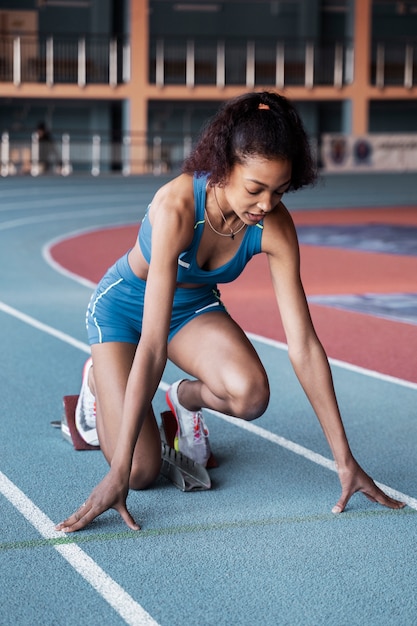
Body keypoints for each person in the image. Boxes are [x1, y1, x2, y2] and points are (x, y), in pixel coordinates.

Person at [56, 91, 404, 533]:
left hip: (193, 309)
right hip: (125, 312)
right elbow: (152, 344)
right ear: (223, 168)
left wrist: (345, 461)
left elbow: (304, 345)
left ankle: (181, 399)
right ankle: (96, 385)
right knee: (141, 473)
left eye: (279, 191)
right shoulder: (177, 207)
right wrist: (117, 472)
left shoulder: (274, 225)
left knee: (251, 395)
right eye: (255, 189)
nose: (266, 205)